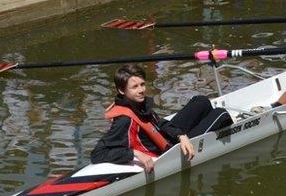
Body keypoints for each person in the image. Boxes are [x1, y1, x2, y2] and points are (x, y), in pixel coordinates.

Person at [91, 64, 233, 172]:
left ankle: (204, 129)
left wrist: (181, 136)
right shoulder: (124, 120)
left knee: (201, 101)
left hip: (167, 139)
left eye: (142, 84)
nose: (141, 90)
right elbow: (97, 154)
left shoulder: (137, 104)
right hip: (167, 153)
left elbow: (160, 124)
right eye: (134, 87)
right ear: (121, 91)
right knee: (221, 114)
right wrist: (135, 153)